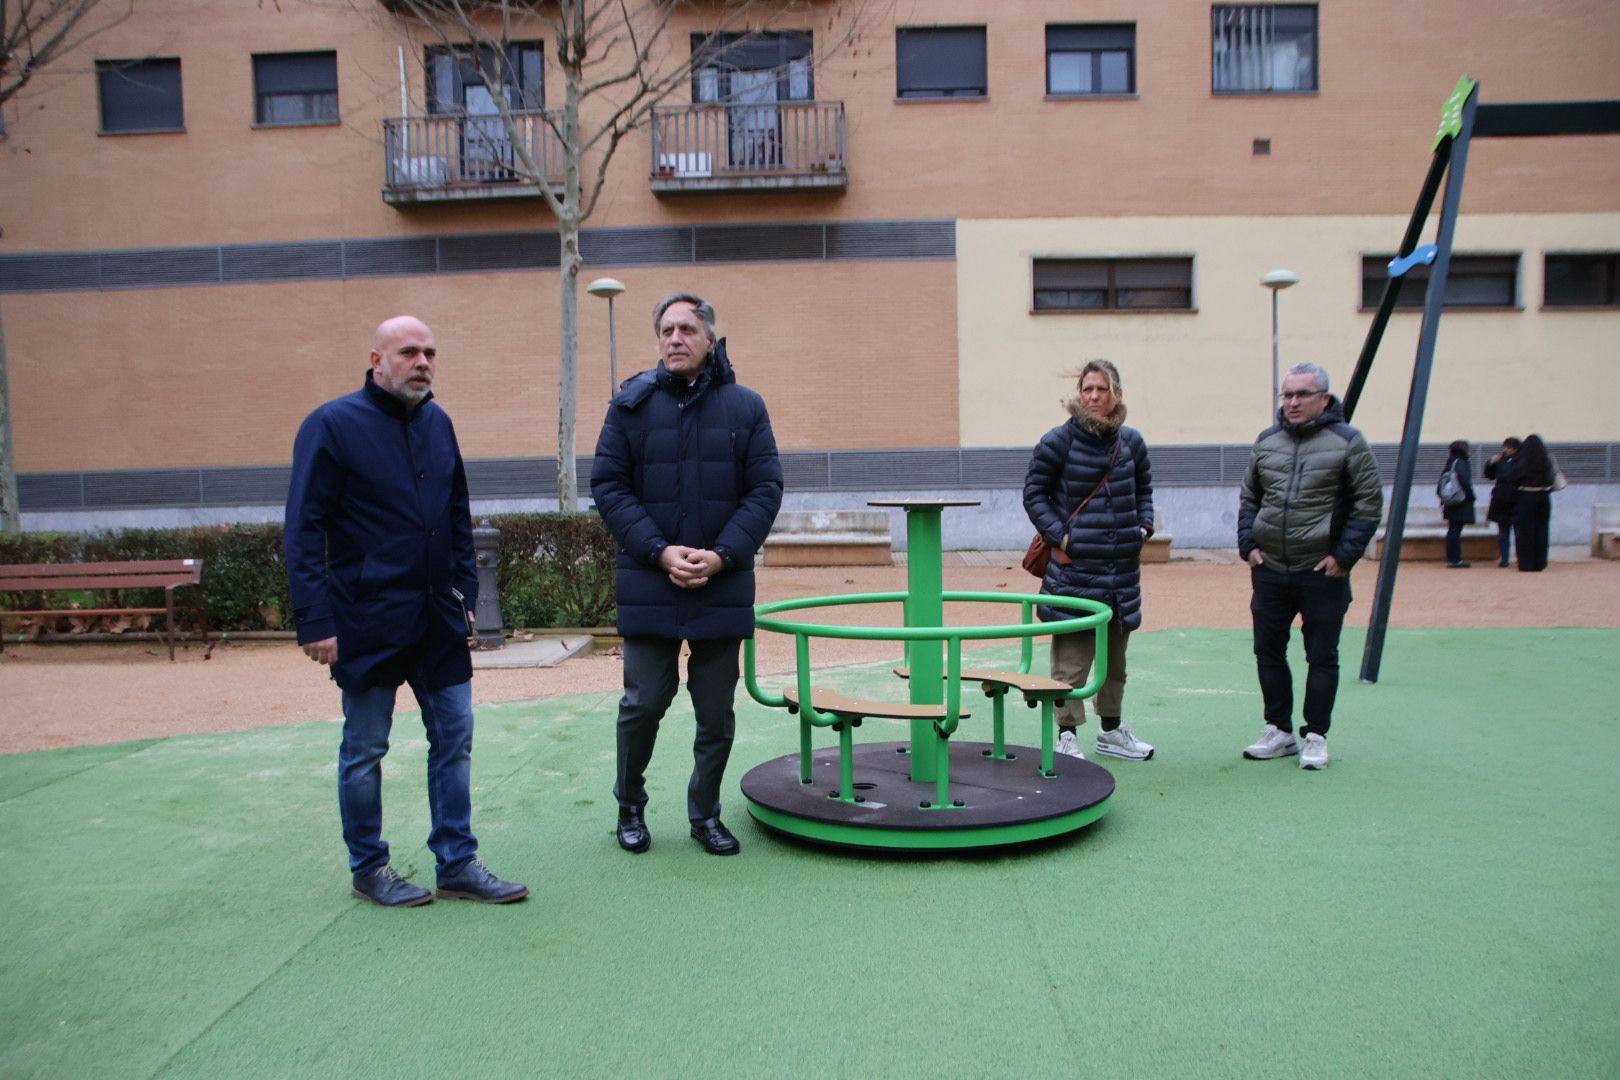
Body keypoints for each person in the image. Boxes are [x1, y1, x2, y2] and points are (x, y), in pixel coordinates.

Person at [285, 316, 528, 907]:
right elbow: (303, 528)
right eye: (410, 352)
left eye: (430, 353)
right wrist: (315, 620)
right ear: (377, 359)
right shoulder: (332, 425)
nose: (423, 362)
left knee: (455, 738)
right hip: (367, 619)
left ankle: (457, 861)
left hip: (437, 619)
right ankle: (369, 867)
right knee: (366, 747)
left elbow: (456, 513)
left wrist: (466, 596)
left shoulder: (438, 423)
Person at [590, 293, 783, 856]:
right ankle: (630, 805)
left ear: (709, 339)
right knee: (644, 702)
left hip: (721, 584)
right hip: (650, 579)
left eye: (687, 329)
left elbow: (765, 489)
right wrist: (658, 550)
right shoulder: (630, 406)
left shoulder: (746, 407)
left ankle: (705, 815)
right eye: (666, 330)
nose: (674, 338)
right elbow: (609, 485)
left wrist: (722, 555)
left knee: (716, 712)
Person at [1236, 363, 1383, 771]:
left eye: (1302, 394)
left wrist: (1344, 556)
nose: (1293, 402)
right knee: (1268, 652)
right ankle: (1278, 731)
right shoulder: (1267, 441)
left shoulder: (1348, 442)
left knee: (1321, 656)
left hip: (1321, 571)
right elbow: (1250, 496)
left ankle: (1315, 735)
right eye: (1287, 395)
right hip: (1269, 568)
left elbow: (1368, 504)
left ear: (1324, 398)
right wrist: (1248, 544)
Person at [1023, 359, 1156, 762]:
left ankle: (1111, 731)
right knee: (1071, 662)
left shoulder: (1131, 442)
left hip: (1120, 577)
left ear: (1117, 393)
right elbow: (1034, 494)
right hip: (1075, 574)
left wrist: (1144, 526)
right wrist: (1061, 535)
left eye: (1102, 389)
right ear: (1079, 394)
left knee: (1115, 662)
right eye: (1087, 389)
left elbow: (1144, 489)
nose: (1094, 396)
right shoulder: (1058, 441)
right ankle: (1066, 737)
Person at [1513, 433, 1556, 572]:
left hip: (1526, 495)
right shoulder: (1546, 459)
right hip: (1544, 495)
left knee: (1525, 531)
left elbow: (1514, 477)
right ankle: (1540, 563)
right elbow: (1553, 477)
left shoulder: (1522, 459)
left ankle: (1526, 563)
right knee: (1542, 530)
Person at [1483, 437, 1521, 567]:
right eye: (1505, 447)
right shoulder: (1500, 459)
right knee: (1503, 532)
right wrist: (1490, 463)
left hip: (1516, 499)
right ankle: (1504, 558)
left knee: (1518, 532)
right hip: (1501, 499)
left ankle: (1520, 556)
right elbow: (1489, 475)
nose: (1506, 449)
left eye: (1509, 447)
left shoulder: (1521, 460)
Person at [1438, 439, 1476, 568]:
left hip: (1451, 501)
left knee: (1453, 529)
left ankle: (1452, 558)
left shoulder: (1451, 462)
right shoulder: (1461, 463)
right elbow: (1464, 480)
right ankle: (1455, 559)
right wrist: (1471, 495)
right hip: (1460, 501)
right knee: (1455, 531)